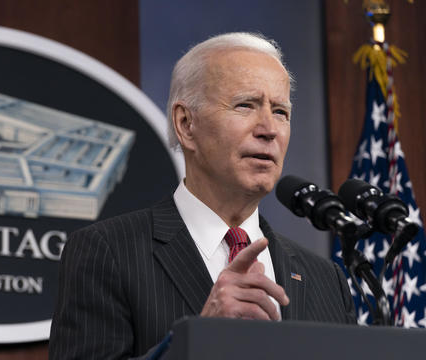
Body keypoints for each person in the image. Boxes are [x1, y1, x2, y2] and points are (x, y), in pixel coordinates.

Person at [49, 32, 356, 359]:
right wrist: (197, 341)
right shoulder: (107, 252)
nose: (269, 129)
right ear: (185, 124)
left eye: (280, 111)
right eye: (245, 105)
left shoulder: (327, 279)